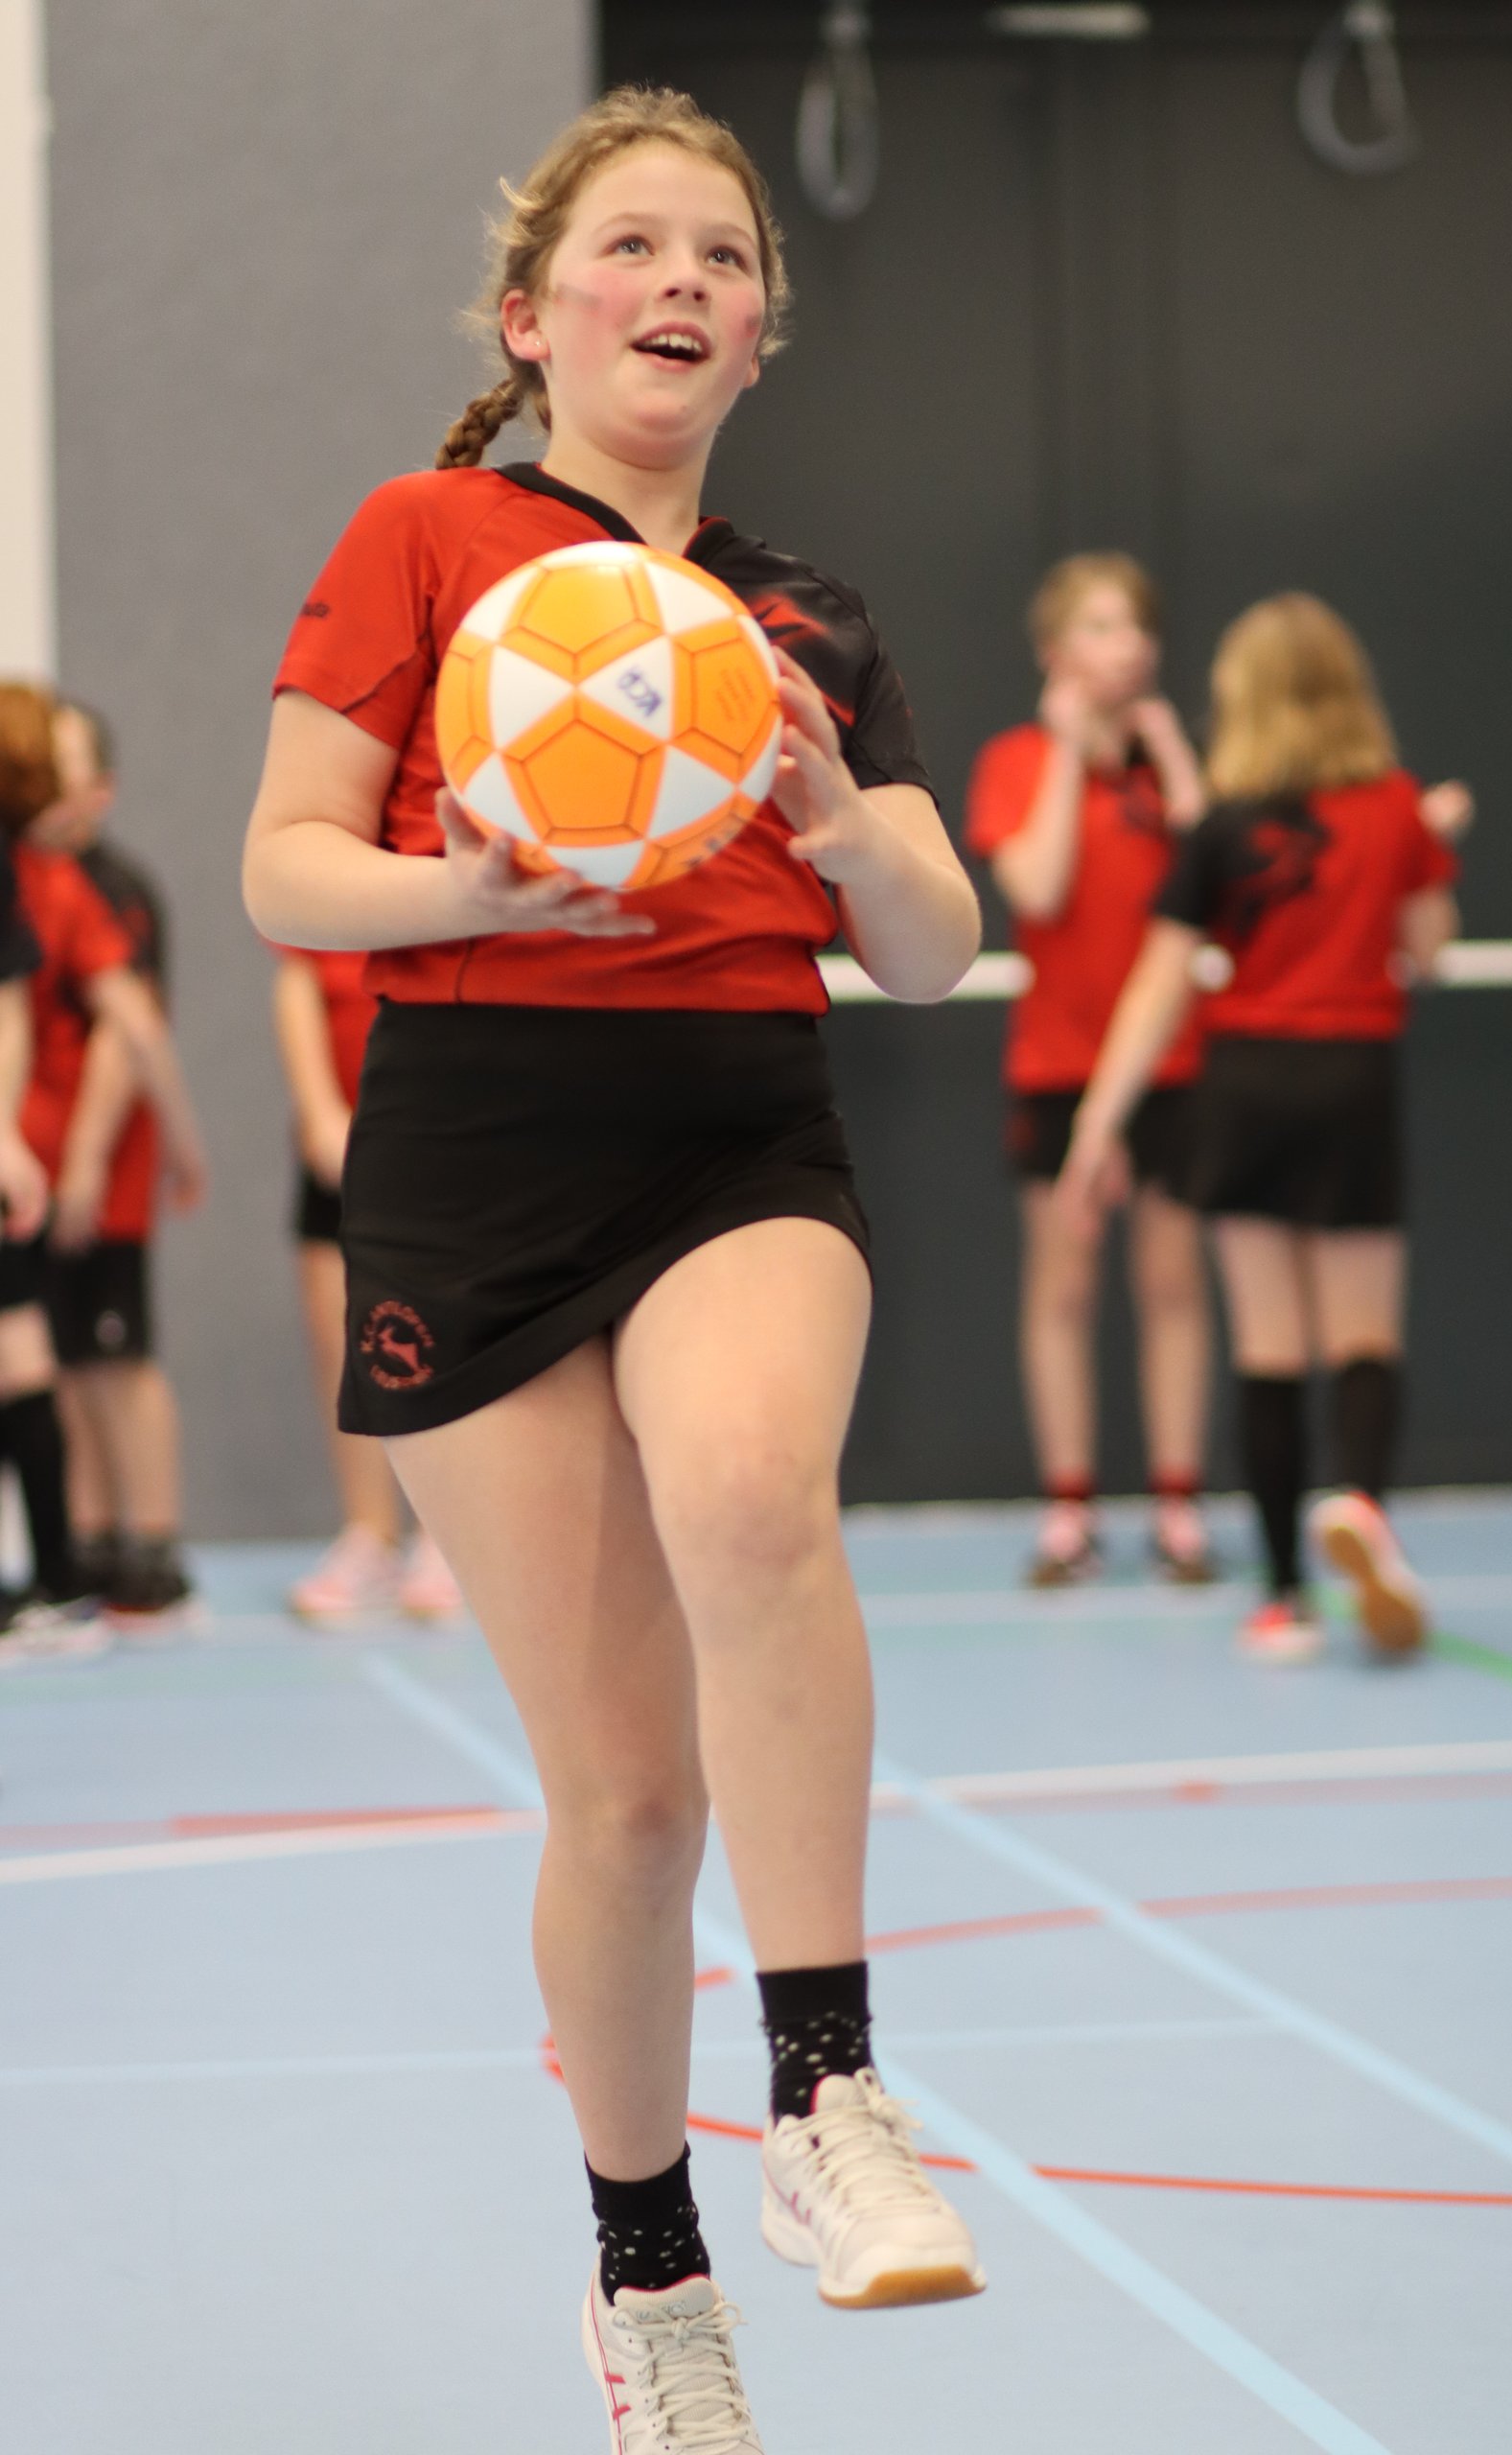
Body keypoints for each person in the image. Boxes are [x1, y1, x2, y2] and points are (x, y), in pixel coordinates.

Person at [243, 86, 986, 2452]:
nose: (680, 279)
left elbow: (934, 948)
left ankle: (830, 2090)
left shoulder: (805, 616)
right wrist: (463, 887)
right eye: (632, 245)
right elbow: (282, 863)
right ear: (529, 314)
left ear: (760, 333)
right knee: (627, 1796)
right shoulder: (425, 536)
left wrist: (838, 818)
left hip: (731, 1124)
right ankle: (649, 2270)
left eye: (723, 256)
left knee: (753, 1490)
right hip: (474, 1152)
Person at [1059, 594, 1466, 1662]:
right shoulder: (1396, 807)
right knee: (1363, 1333)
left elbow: (1158, 984)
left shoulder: (1222, 823)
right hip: (1352, 1079)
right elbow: (1429, 951)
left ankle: (1285, 1595)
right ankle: (1361, 1503)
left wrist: (1099, 1122)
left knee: (1266, 1344)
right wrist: (1428, 853)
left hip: (1242, 1087)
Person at [966, 554, 1217, 1585]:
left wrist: (1176, 760)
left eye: (1138, 626)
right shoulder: (1016, 760)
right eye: (1104, 626)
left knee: (1172, 1281)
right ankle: (1069, 1510)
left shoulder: (1168, 766)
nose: (1130, 645)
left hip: (1174, 1064)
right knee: (1064, 1284)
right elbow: (1039, 886)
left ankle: (1178, 1506)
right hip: (1058, 1065)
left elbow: (1218, 883)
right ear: (1054, 651)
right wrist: (1072, 755)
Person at [0, 683, 206, 1650]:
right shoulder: (36, 873)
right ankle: (78, 1550)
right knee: (63, 1361)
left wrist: (116, 1153)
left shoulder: (97, 888)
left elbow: (132, 1031)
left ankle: (146, 1551)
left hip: (85, 1174)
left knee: (111, 1356)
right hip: (37, 1166)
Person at [271, 945, 462, 1621]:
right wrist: (319, 1108)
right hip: (345, 1136)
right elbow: (296, 982)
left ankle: (443, 1537)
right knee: (340, 1339)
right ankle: (369, 1533)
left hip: (440, 1133)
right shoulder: (329, 896)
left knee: (441, 1336)